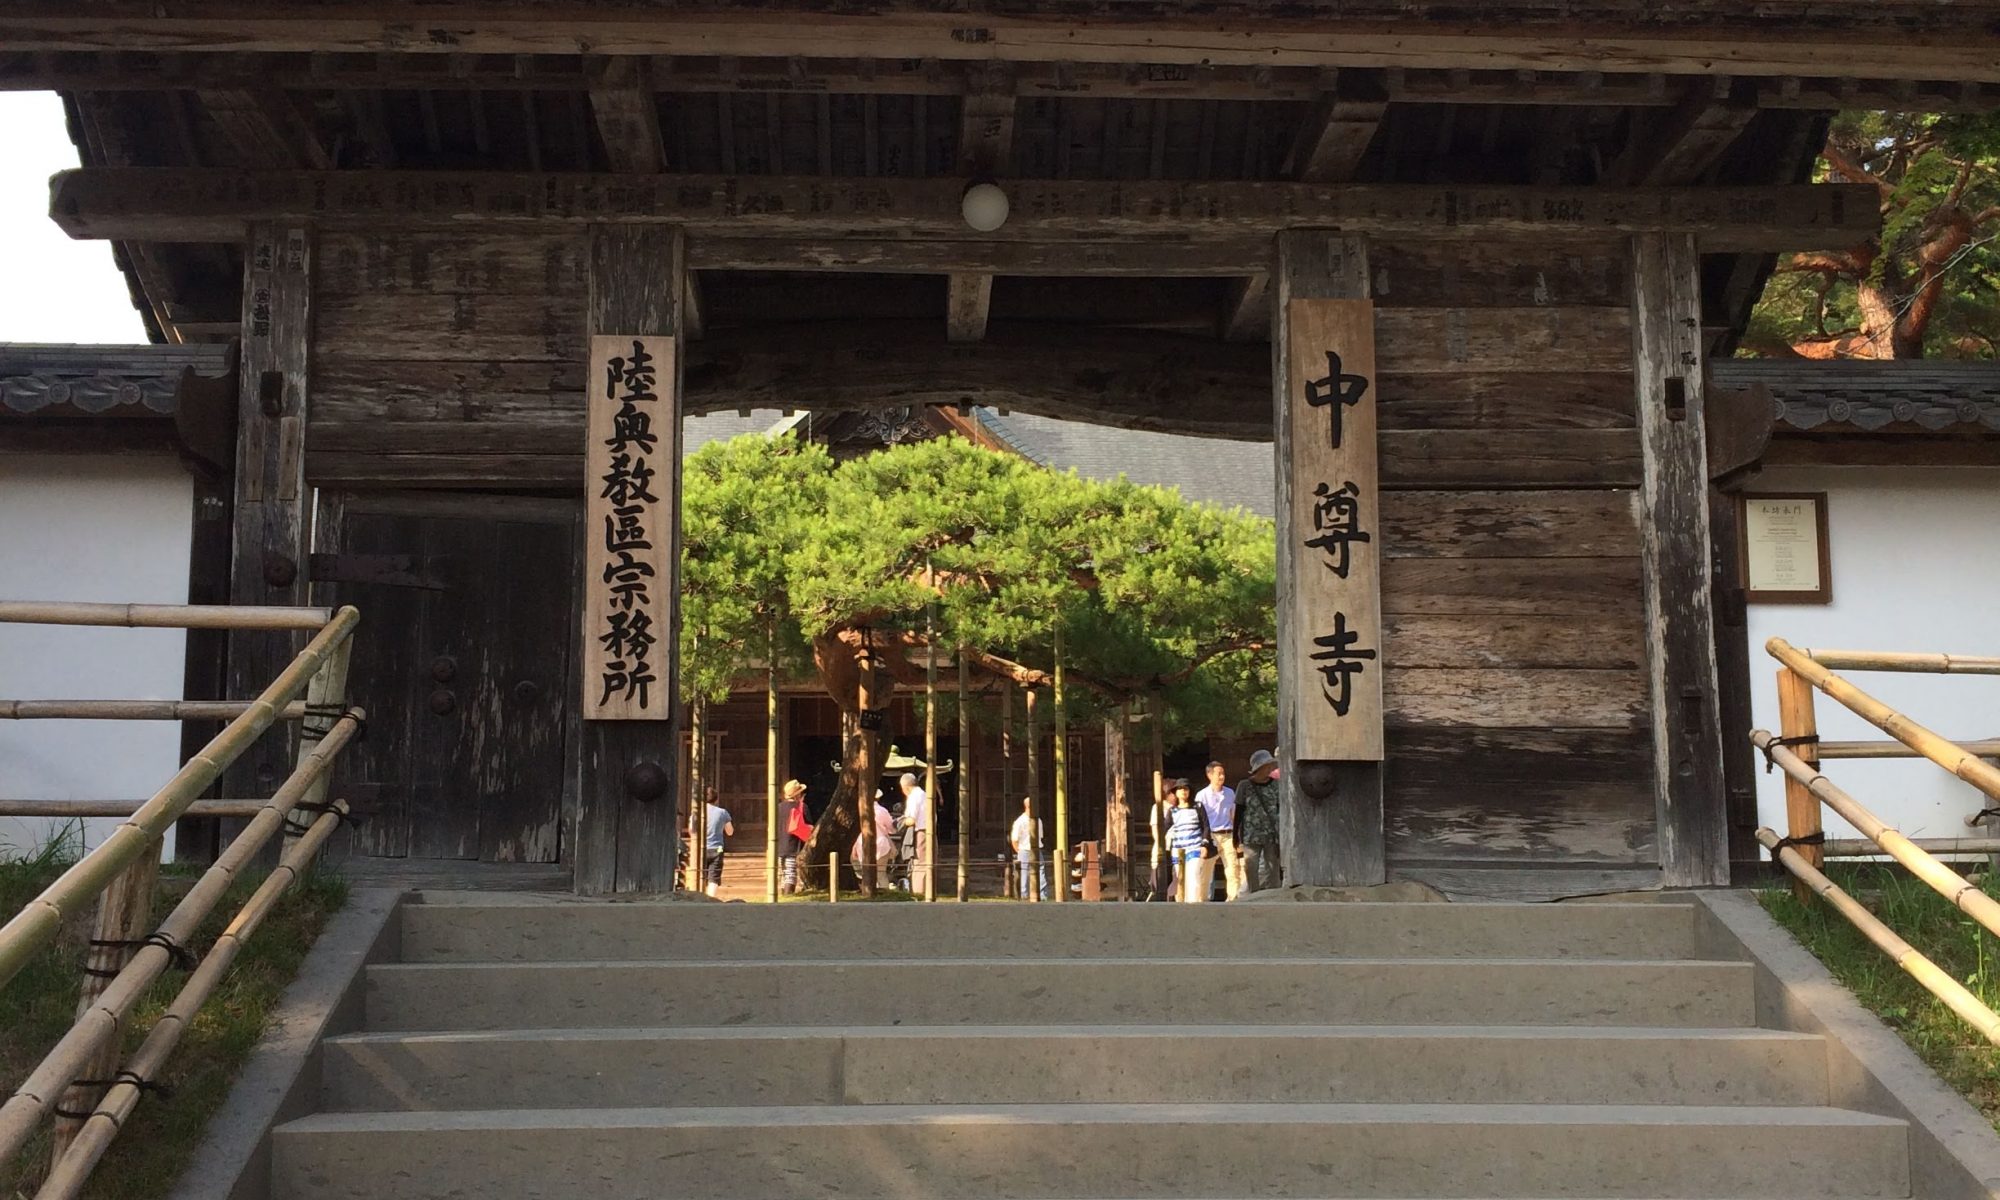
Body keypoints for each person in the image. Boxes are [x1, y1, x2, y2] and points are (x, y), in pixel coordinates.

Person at [1194, 760, 1243, 901]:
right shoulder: (1201, 795)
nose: (1222, 777)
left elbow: (1233, 814)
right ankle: (1202, 900)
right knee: (1206, 871)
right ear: (1209, 775)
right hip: (1211, 836)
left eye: (1223, 773)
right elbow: (1200, 819)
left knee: (1233, 869)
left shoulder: (1230, 792)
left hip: (1227, 834)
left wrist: (1237, 837)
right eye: (1218, 774)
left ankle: (1233, 900)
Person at [1235, 749, 1282, 893]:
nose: (1270, 768)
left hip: (1272, 834)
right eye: (1267, 765)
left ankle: (1274, 895)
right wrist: (1236, 836)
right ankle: (1253, 895)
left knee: (1272, 867)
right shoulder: (1244, 786)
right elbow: (1239, 811)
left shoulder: (1276, 785)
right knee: (1251, 867)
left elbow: (1280, 808)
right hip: (1251, 835)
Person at [1165, 779, 1210, 904]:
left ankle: (1193, 903)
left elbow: (1206, 826)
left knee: (1194, 876)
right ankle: (1180, 903)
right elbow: (1165, 828)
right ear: (1176, 792)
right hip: (1178, 848)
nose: (1183, 791)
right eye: (1180, 789)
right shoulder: (1172, 811)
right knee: (1179, 877)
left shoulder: (1198, 807)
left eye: (1186, 789)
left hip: (1195, 846)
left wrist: (1204, 844)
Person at [851, 788, 897, 891]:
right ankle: (884, 894)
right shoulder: (882, 811)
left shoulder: (859, 809)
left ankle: (867, 892)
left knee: (866, 873)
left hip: (862, 842)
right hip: (881, 843)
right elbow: (892, 829)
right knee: (881, 873)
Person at [1009, 796, 1050, 901]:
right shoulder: (1020, 821)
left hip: (1037, 849)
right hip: (1024, 850)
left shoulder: (1038, 820)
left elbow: (1040, 836)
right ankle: (1024, 894)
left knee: (1041, 870)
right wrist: (1019, 851)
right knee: (1024, 872)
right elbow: (1014, 839)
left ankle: (1043, 894)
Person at [898, 771, 932, 896]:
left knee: (920, 865)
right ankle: (927, 891)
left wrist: (901, 821)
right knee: (928, 864)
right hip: (930, 832)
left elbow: (911, 819)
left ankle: (918, 893)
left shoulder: (914, 797)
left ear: (905, 787)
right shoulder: (924, 794)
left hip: (921, 832)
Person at [776, 779, 810, 895]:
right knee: (791, 872)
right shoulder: (802, 807)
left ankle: (782, 894)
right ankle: (788, 894)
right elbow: (809, 825)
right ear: (798, 794)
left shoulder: (778, 807)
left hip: (778, 844)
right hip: (793, 844)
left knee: (782, 872)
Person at [701, 787, 734, 899]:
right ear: (716, 799)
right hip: (717, 848)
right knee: (714, 876)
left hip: (701, 848)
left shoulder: (697, 811)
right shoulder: (722, 812)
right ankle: (710, 898)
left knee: (700, 874)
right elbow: (730, 832)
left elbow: (692, 829)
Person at [1147, 780, 1175, 901]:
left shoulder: (1181, 807)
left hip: (1178, 847)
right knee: (1161, 883)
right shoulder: (1158, 807)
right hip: (1164, 847)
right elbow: (1155, 830)